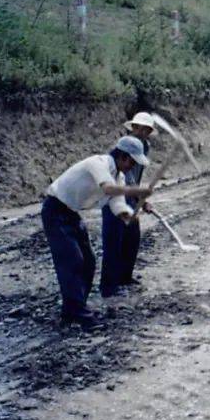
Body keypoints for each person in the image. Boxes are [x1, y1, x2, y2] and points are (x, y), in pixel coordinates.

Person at [41, 136, 153, 329]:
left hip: (72, 212)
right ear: (123, 157)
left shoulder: (119, 176)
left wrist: (128, 215)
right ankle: (76, 312)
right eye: (132, 162)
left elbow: (116, 203)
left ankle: (74, 309)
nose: (132, 167)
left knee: (88, 261)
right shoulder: (98, 163)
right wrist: (136, 190)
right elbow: (108, 188)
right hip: (55, 210)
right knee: (72, 260)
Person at [100, 112, 155, 297]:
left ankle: (125, 277)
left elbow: (137, 176)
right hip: (115, 196)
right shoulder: (123, 148)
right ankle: (108, 286)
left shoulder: (145, 147)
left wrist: (141, 200)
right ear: (132, 128)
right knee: (113, 241)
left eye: (146, 129)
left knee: (132, 238)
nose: (142, 132)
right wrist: (142, 198)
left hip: (132, 195)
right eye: (139, 127)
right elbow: (125, 177)